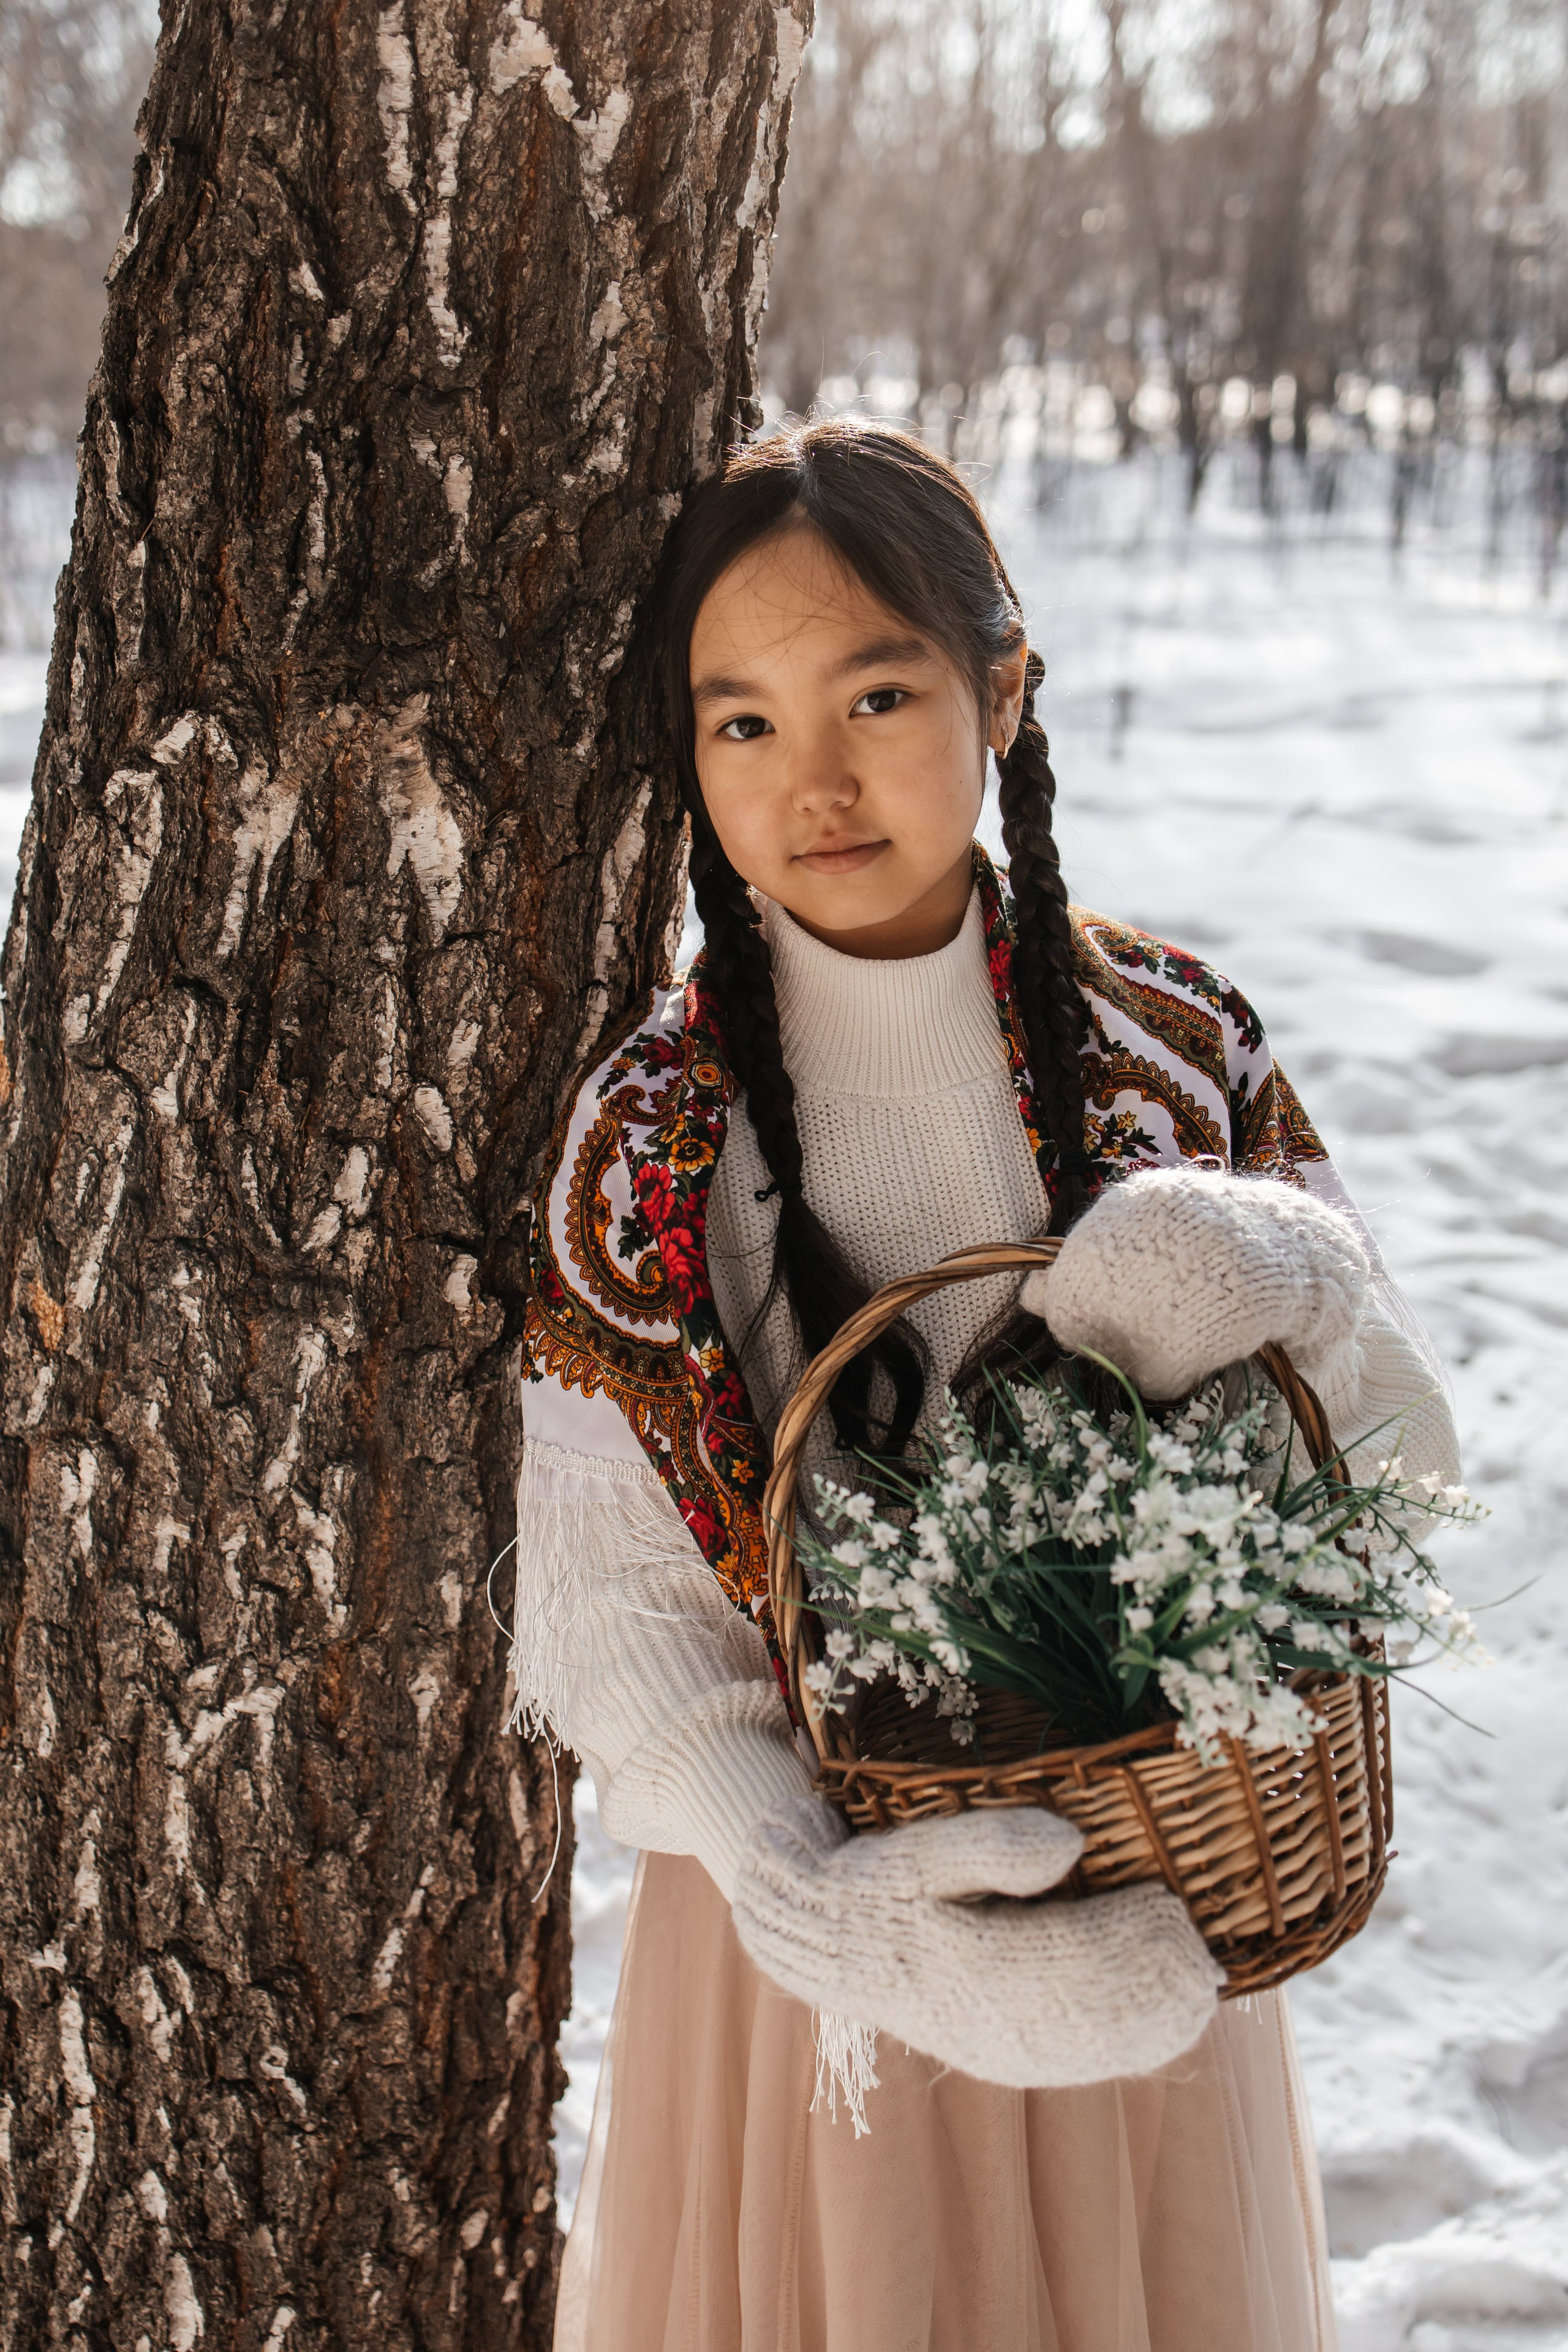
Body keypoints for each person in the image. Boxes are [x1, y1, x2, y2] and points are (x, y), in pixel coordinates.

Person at [512, 419, 1460, 2352]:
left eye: (877, 691)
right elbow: (603, 1582)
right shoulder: (655, 1137)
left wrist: (1283, 1272)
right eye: (743, 721)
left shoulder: (1166, 1049)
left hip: (1143, 1887)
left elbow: (1396, 1452)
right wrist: (804, 1894)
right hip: (823, 1961)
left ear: (1004, 689)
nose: (818, 776)